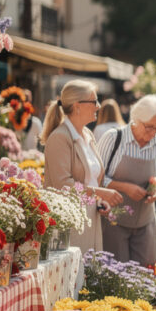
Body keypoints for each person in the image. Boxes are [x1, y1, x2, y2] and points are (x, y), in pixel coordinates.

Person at [41, 80, 124, 253]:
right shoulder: (60, 137)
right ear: (77, 106)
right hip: (69, 225)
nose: (98, 106)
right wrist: (100, 192)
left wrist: (99, 200)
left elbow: (91, 179)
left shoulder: (88, 134)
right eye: (94, 101)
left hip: (91, 219)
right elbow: (63, 185)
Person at [96, 95, 156, 266]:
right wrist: (125, 187)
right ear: (136, 119)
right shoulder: (113, 138)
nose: (153, 133)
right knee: (115, 274)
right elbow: (96, 179)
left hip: (145, 222)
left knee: (144, 275)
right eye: (149, 127)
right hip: (113, 221)